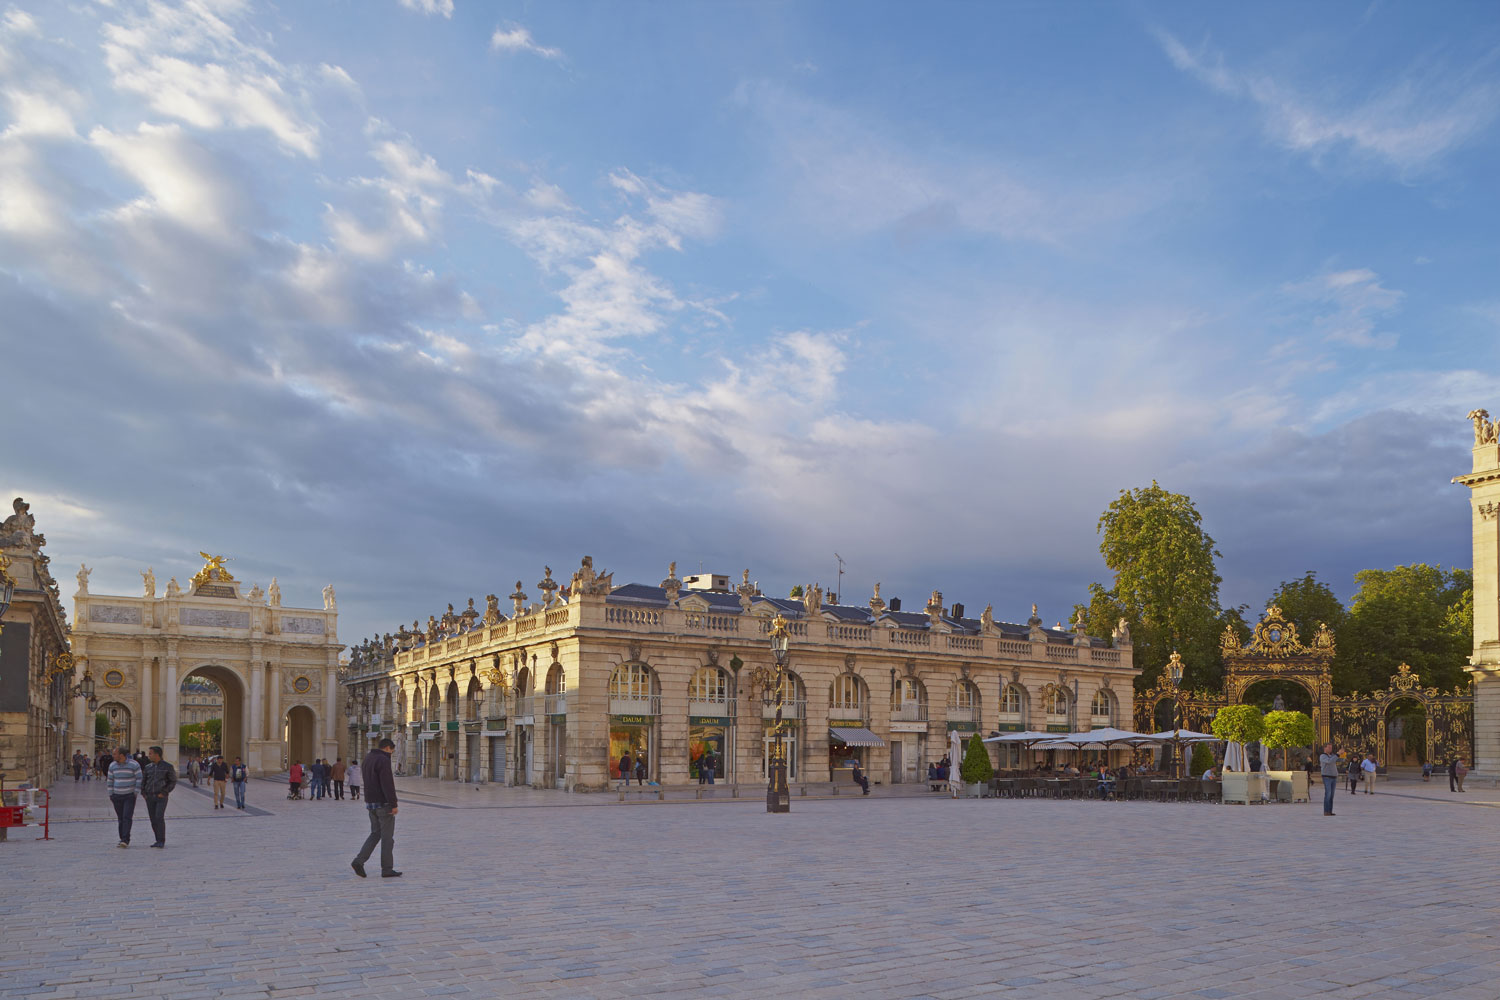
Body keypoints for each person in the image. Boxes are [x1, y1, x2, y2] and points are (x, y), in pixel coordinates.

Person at [351, 738, 400, 878]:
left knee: (375, 834)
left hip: (370, 803)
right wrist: (393, 803)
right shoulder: (383, 760)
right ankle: (387, 869)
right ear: (387, 748)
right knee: (387, 838)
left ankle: (359, 861)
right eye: (391, 750)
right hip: (383, 804)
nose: (391, 753)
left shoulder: (368, 758)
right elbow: (387, 783)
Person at [106, 745, 143, 848]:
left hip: (129, 795)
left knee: (127, 817)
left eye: (114, 754)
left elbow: (139, 778)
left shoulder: (134, 764)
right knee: (120, 818)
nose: (113, 756)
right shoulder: (112, 765)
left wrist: (135, 792)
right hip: (117, 795)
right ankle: (122, 837)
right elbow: (110, 780)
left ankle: (125, 840)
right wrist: (111, 794)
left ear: (121, 755)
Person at [141, 746, 177, 849]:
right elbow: (144, 781)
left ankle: (161, 840)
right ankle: (157, 839)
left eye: (151, 753)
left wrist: (165, 792)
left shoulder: (167, 767)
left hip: (161, 796)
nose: (149, 755)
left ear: (157, 755)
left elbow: (173, 781)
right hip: (150, 796)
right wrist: (144, 793)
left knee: (159, 817)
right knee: (153, 819)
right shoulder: (148, 767)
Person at [1318, 743, 1339, 816]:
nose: (1330, 749)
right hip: (1327, 777)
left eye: (1331, 747)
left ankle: (1330, 810)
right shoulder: (1323, 756)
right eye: (1329, 747)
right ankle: (1326, 811)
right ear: (1325, 748)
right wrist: (1337, 754)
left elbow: (1336, 760)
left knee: (1331, 795)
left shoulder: (1332, 756)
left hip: (1333, 777)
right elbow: (1329, 761)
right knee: (1328, 794)